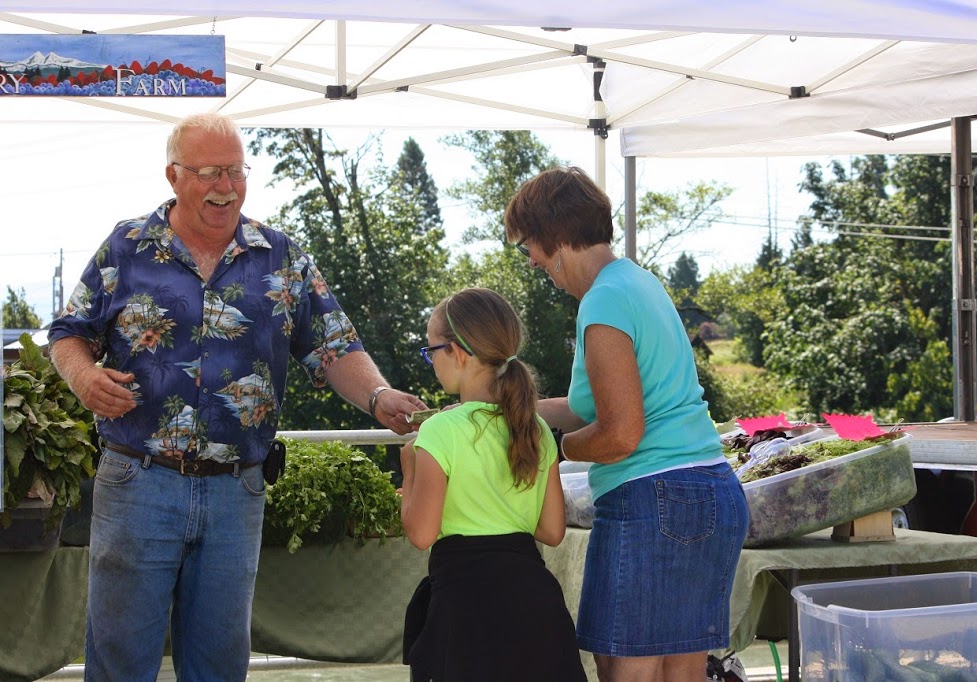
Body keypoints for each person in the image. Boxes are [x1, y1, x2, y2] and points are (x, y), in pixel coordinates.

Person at [47, 112, 426, 681]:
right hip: (137, 482)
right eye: (209, 173)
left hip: (236, 491)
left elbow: (334, 347)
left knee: (220, 666)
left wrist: (377, 396)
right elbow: (68, 334)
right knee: (120, 661)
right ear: (174, 176)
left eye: (235, 171)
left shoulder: (283, 257)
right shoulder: (126, 247)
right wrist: (83, 378)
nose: (226, 187)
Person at [504, 166, 750, 682]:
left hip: (655, 498)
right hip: (705, 489)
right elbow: (594, 404)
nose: (530, 260)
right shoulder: (635, 282)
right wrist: (503, 411)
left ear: (556, 236)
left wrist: (552, 447)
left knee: (625, 671)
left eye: (528, 244)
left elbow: (619, 434)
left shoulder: (605, 300)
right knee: (680, 673)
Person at [399, 287, 587, 682]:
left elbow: (420, 533)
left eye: (431, 350)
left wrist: (410, 468)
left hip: (467, 614)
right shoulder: (535, 428)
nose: (430, 360)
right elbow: (551, 531)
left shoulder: (438, 431)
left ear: (459, 353)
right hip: (537, 611)